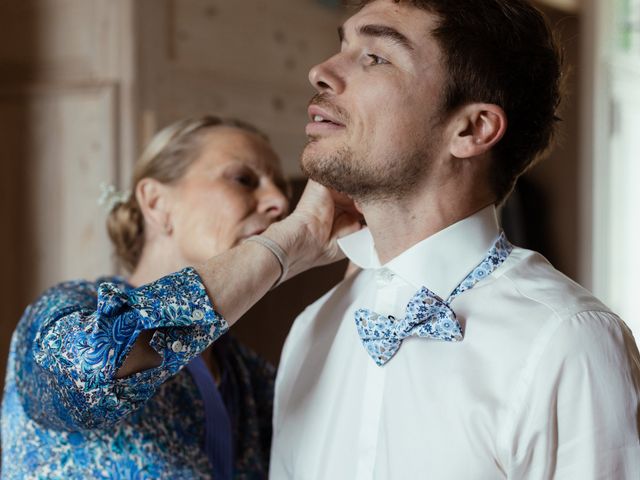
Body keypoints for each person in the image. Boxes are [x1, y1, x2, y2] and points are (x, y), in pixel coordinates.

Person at [270, 1, 640, 478]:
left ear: (471, 128)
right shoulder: (313, 328)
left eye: (375, 57)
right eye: (342, 46)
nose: (320, 71)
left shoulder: (568, 341)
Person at [1, 116, 361, 479]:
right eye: (243, 179)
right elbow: (88, 370)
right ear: (156, 202)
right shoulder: (63, 311)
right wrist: (281, 245)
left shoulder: (247, 376)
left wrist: (363, 277)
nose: (279, 203)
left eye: (282, 188)